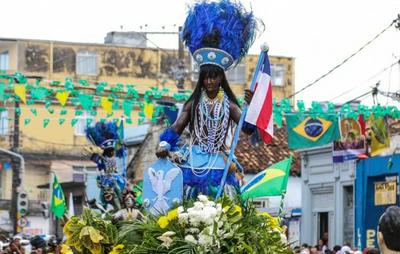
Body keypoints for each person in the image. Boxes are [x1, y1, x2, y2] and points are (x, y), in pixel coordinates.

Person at [155, 0, 261, 199]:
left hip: (220, 161)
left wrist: (253, 106)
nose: (210, 81)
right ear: (201, 79)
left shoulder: (229, 105)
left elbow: (247, 128)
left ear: (222, 77)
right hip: (193, 161)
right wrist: (163, 145)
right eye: (206, 76)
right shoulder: (193, 104)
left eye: (214, 76)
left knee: (226, 206)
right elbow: (177, 127)